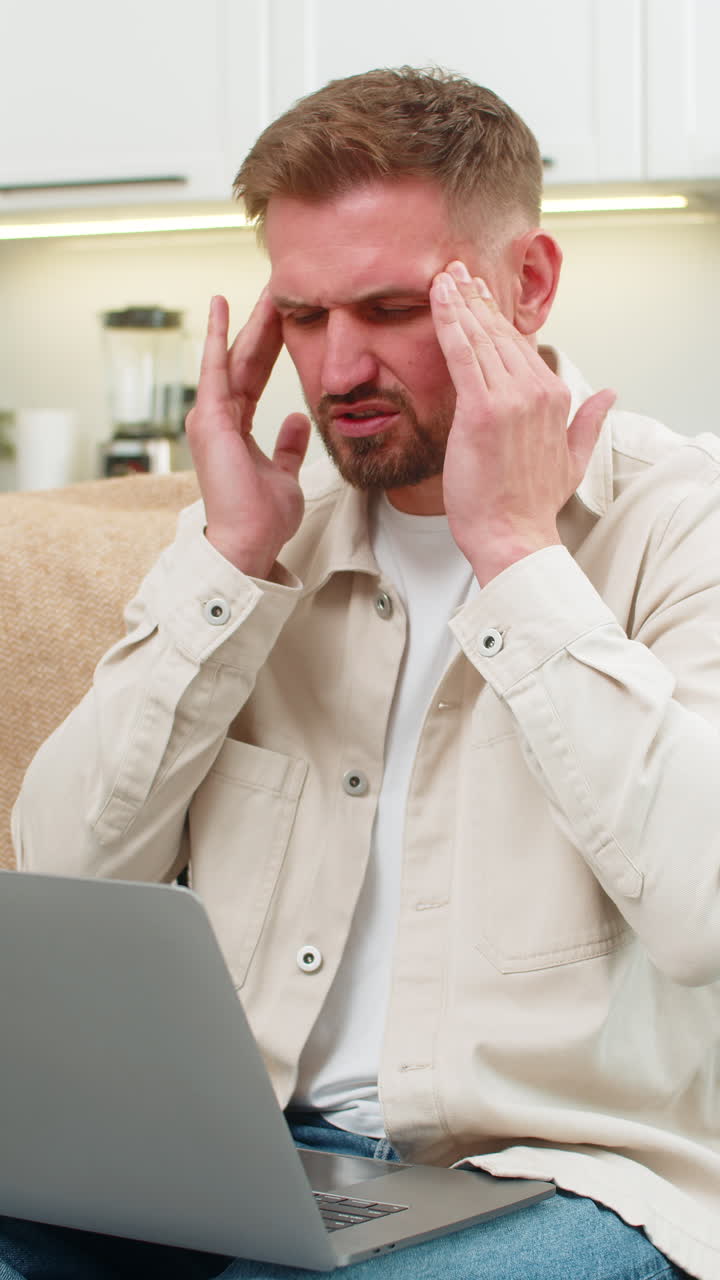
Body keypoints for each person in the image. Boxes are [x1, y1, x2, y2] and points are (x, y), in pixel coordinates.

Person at [4, 66, 719, 1280]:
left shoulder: (681, 522)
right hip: (236, 1149)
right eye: (301, 314)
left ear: (528, 283)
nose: (334, 372)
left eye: (390, 308)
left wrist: (517, 553)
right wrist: (232, 560)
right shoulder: (255, 538)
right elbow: (68, 867)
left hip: (561, 1172)